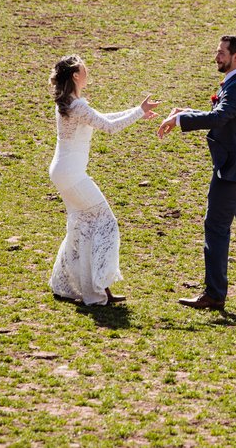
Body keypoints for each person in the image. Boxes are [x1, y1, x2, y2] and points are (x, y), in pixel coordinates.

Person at [158, 35, 236, 310]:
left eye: (221, 52)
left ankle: (214, 294)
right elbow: (224, 116)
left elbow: (218, 118)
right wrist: (187, 111)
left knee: (216, 227)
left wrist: (180, 119)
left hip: (234, 169)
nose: (217, 57)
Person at [47, 55, 159, 306]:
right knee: (106, 224)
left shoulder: (70, 103)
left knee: (83, 225)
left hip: (63, 172)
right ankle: (96, 289)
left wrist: (138, 112)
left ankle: (83, 287)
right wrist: (139, 111)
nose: (87, 71)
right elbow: (109, 127)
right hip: (72, 175)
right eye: (83, 68)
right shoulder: (77, 106)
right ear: (76, 75)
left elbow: (101, 118)